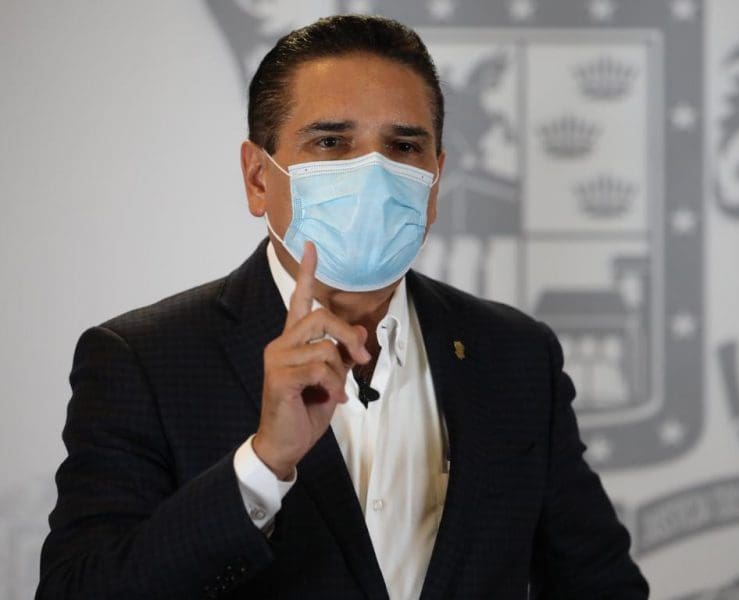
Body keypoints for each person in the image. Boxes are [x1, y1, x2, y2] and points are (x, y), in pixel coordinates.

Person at [37, 14, 648, 600]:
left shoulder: (516, 353)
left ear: (436, 181)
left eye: (403, 146)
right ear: (257, 178)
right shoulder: (143, 360)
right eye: (331, 142)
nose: (374, 174)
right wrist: (264, 464)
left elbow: (600, 586)